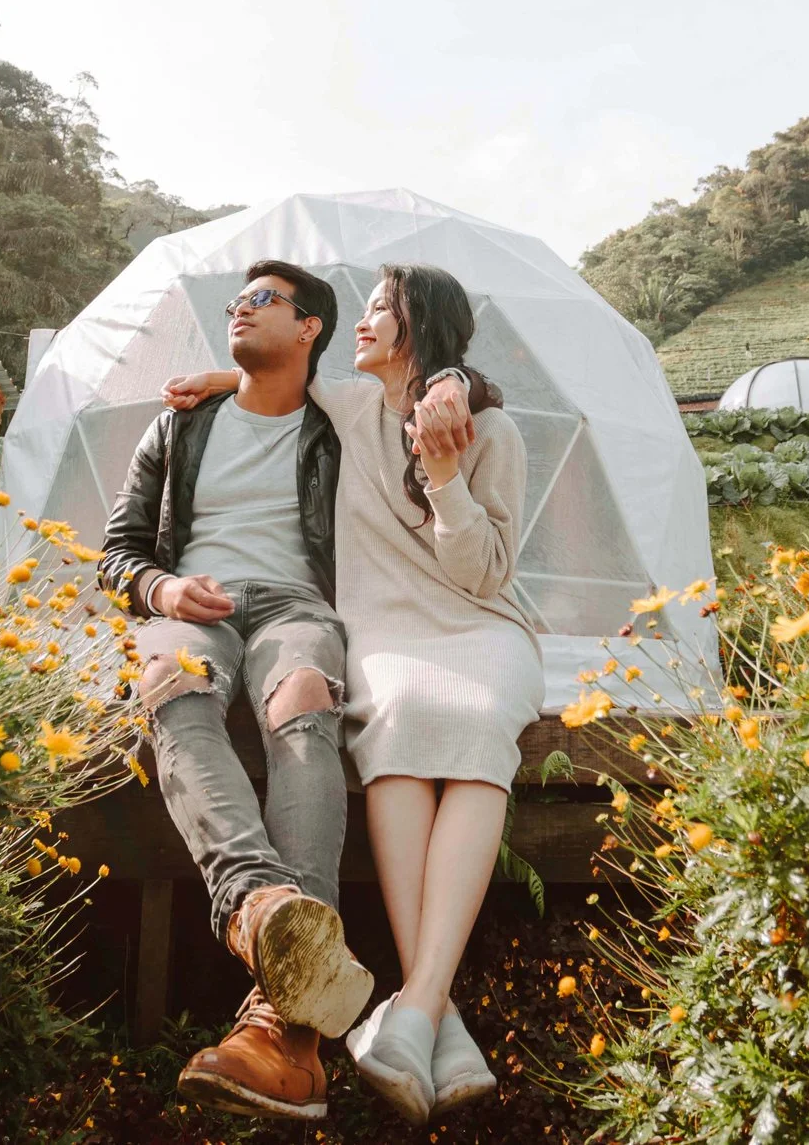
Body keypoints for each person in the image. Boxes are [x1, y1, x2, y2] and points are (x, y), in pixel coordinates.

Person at [166, 262, 540, 1123]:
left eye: (380, 309)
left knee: (481, 725)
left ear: (422, 325)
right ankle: (432, 1014)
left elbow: (485, 576)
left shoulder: (495, 431)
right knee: (398, 726)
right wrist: (222, 377)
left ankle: (414, 1002)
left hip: (480, 627)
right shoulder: (353, 406)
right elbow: (286, 379)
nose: (361, 322)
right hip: (392, 638)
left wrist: (445, 474)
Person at [98, 260, 374, 1120]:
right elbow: (117, 553)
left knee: (302, 702)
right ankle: (261, 910)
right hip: (196, 604)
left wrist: (267, 386)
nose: (239, 311)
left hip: (296, 607)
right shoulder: (178, 428)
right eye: (234, 303)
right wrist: (164, 591)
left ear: (311, 328)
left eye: (262, 300)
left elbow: (451, 388)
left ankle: (283, 1030)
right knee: (171, 680)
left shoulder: (340, 429)